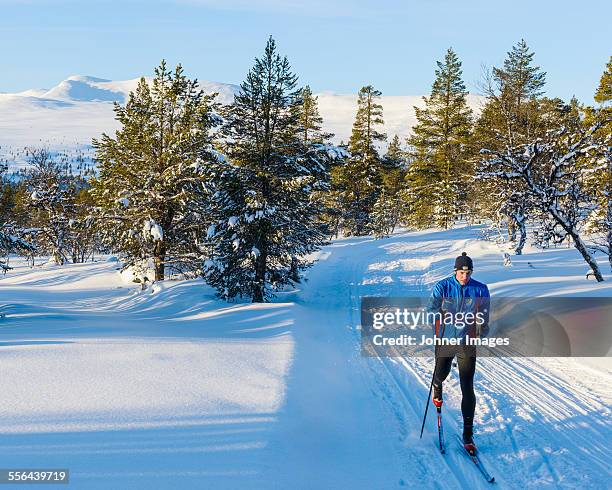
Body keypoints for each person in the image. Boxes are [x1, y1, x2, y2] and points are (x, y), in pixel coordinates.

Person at [428, 252, 490, 450]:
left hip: (467, 342)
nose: (465, 276)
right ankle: (437, 385)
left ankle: (468, 434)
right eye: (462, 272)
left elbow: (485, 312)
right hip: (446, 339)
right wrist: (441, 317)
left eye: (468, 272)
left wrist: (483, 326)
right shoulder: (443, 286)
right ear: (455, 271)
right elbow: (430, 311)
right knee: (441, 374)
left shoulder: (480, 289)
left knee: (467, 386)